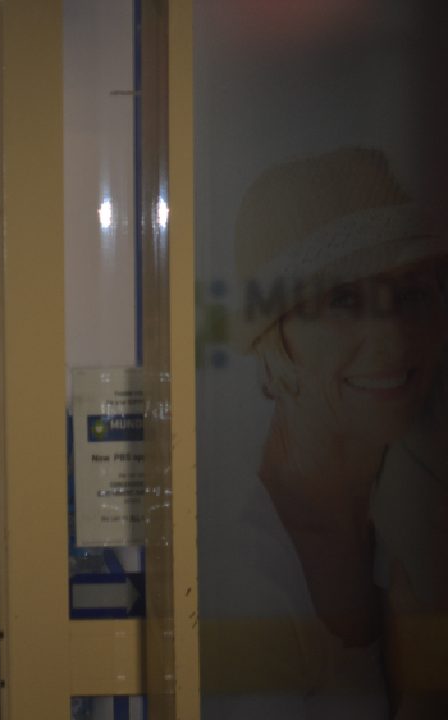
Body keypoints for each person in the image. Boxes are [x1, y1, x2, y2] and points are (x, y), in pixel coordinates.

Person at [203, 147, 447, 718]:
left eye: (411, 292)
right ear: (274, 341)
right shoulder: (245, 573)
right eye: (342, 300)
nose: (392, 337)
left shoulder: (404, 514)